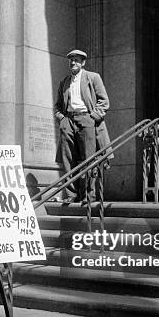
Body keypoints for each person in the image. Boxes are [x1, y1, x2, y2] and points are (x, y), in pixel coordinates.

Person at [54, 49, 114, 203]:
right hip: (69, 120)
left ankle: (89, 195)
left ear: (83, 62)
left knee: (90, 158)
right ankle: (72, 195)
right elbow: (58, 106)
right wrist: (62, 119)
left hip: (87, 119)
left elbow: (104, 101)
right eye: (71, 60)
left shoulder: (92, 77)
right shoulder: (65, 82)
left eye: (77, 60)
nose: (73, 63)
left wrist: (93, 117)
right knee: (68, 159)